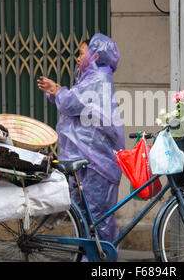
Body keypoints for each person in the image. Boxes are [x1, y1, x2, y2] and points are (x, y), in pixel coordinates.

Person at [37, 34, 125, 256]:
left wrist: (57, 91)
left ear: (95, 54)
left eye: (81, 52)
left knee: (96, 214)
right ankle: (91, 255)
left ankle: (95, 257)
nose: (78, 57)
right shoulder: (92, 78)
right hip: (90, 157)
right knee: (88, 212)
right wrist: (56, 89)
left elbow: (71, 102)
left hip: (96, 158)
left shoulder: (98, 79)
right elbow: (75, 102)